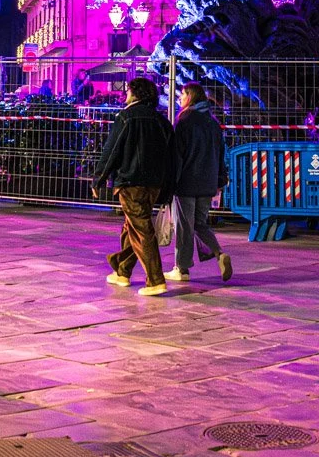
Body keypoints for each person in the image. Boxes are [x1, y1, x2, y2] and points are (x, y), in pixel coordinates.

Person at [92, 77, 174, 296]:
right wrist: (168, 186)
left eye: (128, 90)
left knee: (142, 229)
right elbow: (171, 156)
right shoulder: (161, 121)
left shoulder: (126, 117)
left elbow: (112, 150)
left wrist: (99, 178)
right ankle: (122, 270)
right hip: (154, 183)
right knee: (132, 226)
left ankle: (155, 280)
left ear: (136, 93)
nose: (125, 94)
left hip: (130, 182)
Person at [165, 82, 232, 284]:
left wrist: (171, 182)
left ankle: (182, 268)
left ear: (190, 96)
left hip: (186, 182)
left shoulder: (184, 120)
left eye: (182, 94)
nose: (180, 98)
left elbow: (177, 155)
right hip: (208, 182)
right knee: (199, 224)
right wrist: (220, 179)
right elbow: (221, 153)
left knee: (184, 226)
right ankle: (219, 253)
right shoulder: (212, 122)